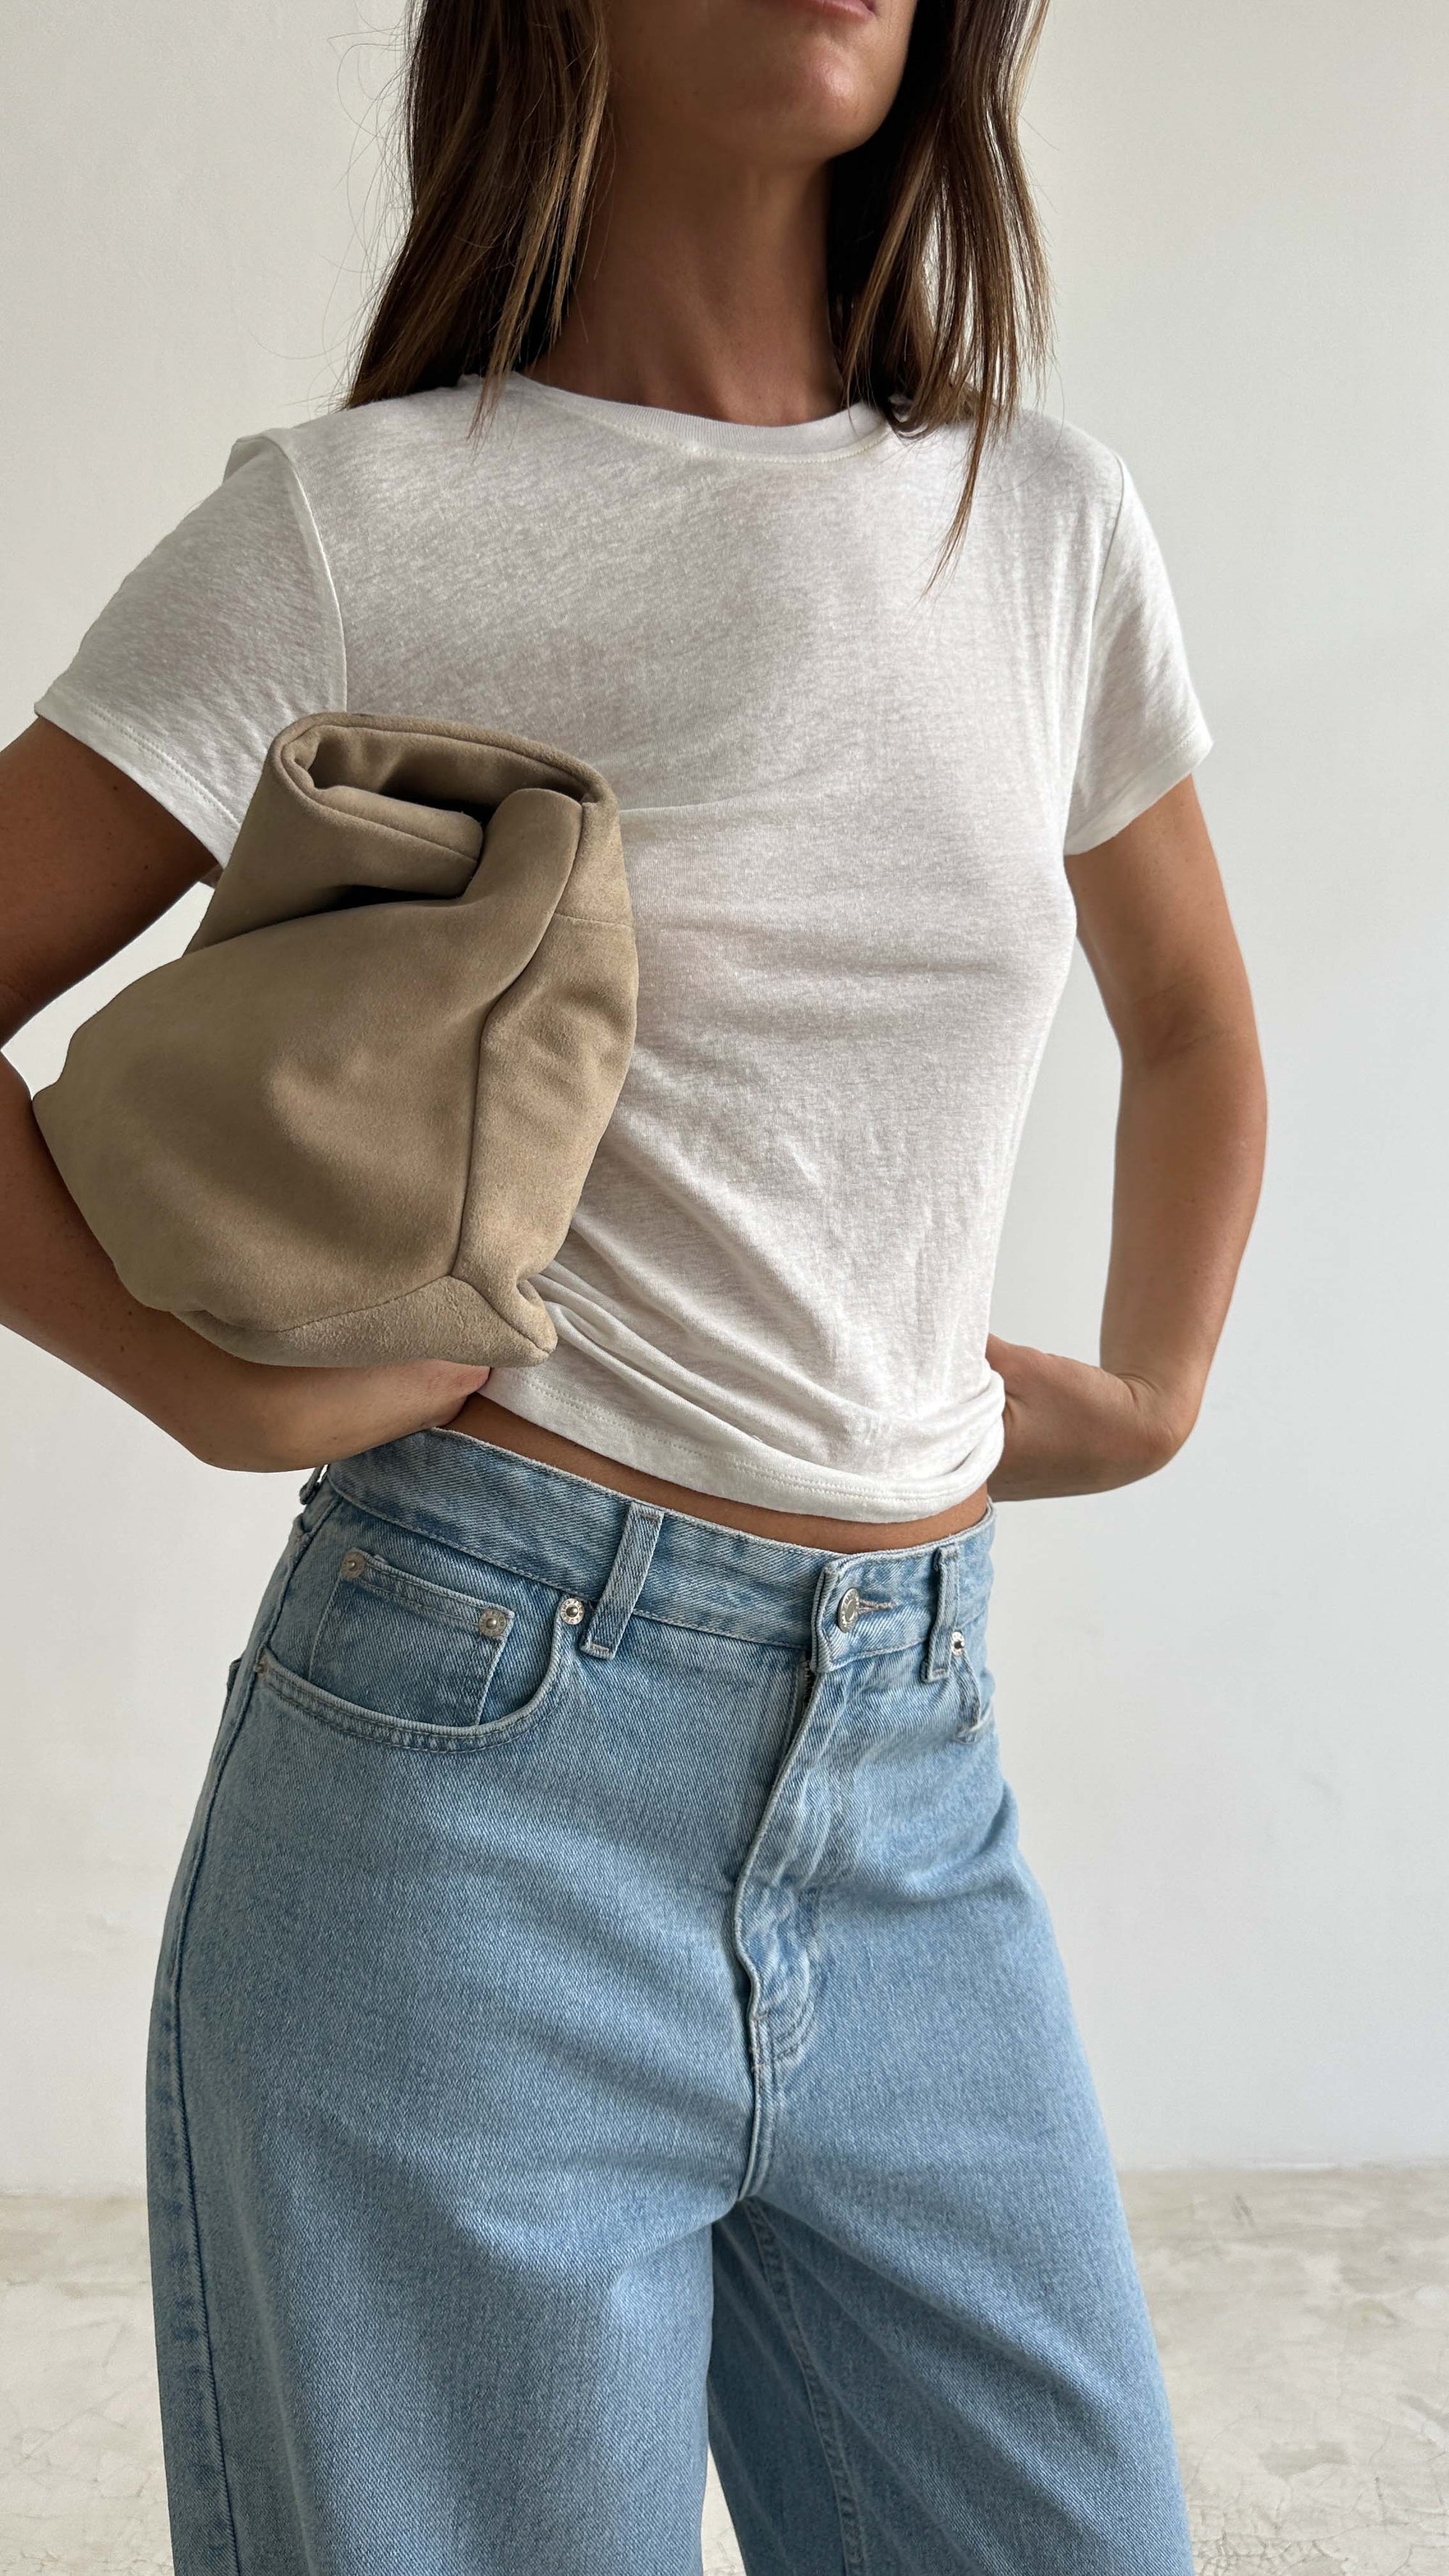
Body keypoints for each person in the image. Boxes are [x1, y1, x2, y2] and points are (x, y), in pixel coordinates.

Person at [0, 0, 1265, 2566]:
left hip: (915, 1788)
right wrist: (194, 1385)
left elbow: (1198, 1019)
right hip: (470, 1786)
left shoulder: (1040, 524)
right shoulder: (362, 529)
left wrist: (1154, 1383)